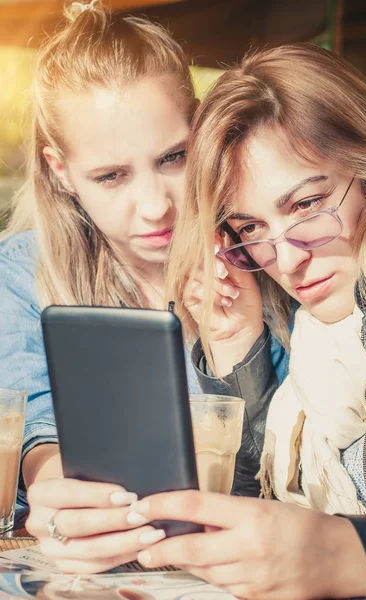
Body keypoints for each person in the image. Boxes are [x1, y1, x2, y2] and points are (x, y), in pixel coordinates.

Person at [126, 45, 366, 599]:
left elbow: (318, 549)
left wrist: (348, 553)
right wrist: (235, 344)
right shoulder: (317, 333)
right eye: (250, 228)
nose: (285, 261)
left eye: (308, 206)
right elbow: (262, 528)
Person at [1, 1, 285, 573]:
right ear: (60, 171)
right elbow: (36, 425)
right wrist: (65, 502)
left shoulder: (272, 247)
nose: (156, 206)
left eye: (174, 157)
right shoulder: (21, 271)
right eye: (111, 175)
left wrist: (243, 350)